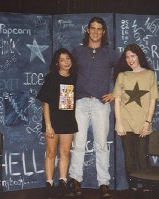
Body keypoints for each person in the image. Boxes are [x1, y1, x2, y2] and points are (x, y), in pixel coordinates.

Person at [68, 16, 117, 198]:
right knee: (78, 144)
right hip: (80, 102)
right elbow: (68, 74)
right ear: (88, 30)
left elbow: (124, 72)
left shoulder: (110, 53)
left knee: (101, 145)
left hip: (101, 103)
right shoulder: (77, 51)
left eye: (99, 29)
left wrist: (115, 93)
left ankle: (103, 183)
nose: (95, 32)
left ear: (103, 32)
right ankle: (75, 180)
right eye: (93, 28)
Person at [113, 43, 159, 190]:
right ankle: (133, 188)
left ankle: (147, 187)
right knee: (129, 158)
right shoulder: (122, 75)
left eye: (132, 56)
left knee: (141, 156)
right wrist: (118, 123)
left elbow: (153, 100)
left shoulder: (150, 74)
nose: (130, 59)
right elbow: (117, 101)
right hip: (125, 123)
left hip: (142, 124)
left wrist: (148, 122)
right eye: (127, 57)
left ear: (139, 56)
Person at [37, 48, 78, 199]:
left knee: (65, 153)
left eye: (68, 58)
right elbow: (46, 103)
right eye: (62, 60)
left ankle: (63, 182)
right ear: (57, 63)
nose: (66, 62)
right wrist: (48, 125)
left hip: (68, 121)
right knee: (51, 152)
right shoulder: (51, 78)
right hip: (52, 122)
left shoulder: (74, 78)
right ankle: (49, 184)